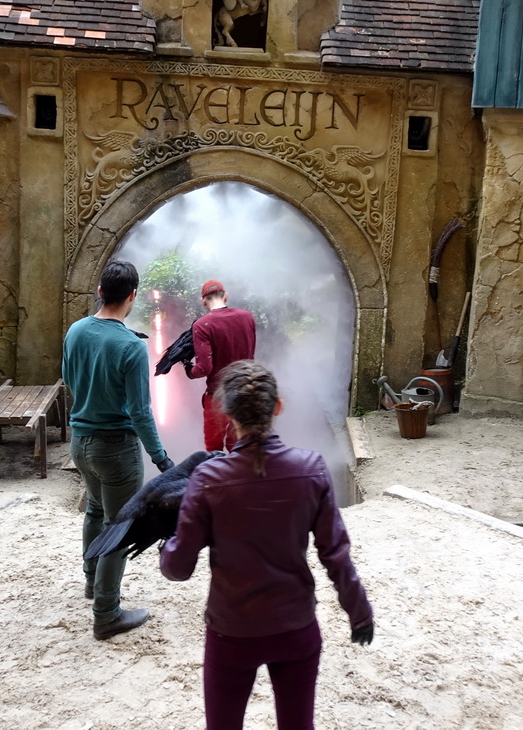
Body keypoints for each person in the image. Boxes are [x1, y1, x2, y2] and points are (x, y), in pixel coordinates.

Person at [160, 360, 374, 730]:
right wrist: (360, 613)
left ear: (226, 413)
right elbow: (335, 554)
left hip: (232, 632)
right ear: (277, 407)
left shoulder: (208, 479)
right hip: (296, 627)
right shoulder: (312, 469)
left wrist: (167, 549)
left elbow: (179, 569)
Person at [62, 259, 174, 641]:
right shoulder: (130, 347)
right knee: (120, 527)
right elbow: (141, 414)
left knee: (95, 510)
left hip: (80, 442)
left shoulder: (75, 331)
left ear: (99, 292)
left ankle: (93, 582)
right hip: (116, 451)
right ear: (132, 295)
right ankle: (107, 613)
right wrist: (162, 459)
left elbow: (69, 379)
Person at [186, 279, 257, 452]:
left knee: (214, 450)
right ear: (226, 296)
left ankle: (219, 479)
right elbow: (251, 354)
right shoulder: (247, 317)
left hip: (217, 398)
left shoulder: (202, 325)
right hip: (244, 392)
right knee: (239, 446)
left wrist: (189, 371)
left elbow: (204, 368)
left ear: (203, 301)